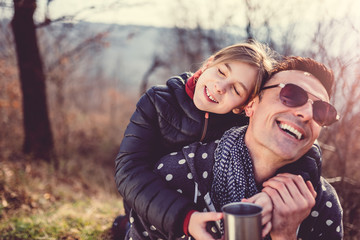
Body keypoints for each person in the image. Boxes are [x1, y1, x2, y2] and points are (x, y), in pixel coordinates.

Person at [126, 56, 342, 240]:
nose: (306, 113)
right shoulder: (175, 176)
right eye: (291, 95)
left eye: (321, 110)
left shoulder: (322, 204)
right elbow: (128, 168)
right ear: (251, 105)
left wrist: (285, 235)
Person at [113, 40, 277, 239]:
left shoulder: (243, 125)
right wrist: (185, 218)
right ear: (208, 64)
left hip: (213, 215)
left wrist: (274, 193)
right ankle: (123, 225)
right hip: (155, 208)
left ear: (242, 107)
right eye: (222, 72)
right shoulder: (157, 102)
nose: (220, 87)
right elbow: (128, 168)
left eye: (236, 90)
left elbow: (303, 151)